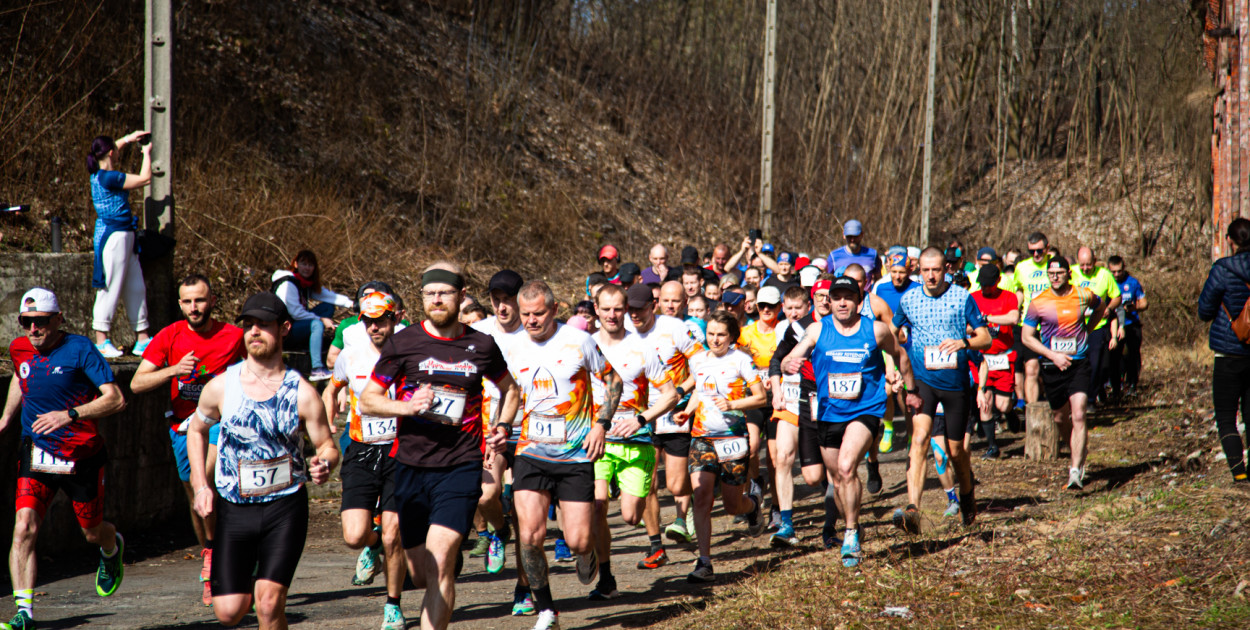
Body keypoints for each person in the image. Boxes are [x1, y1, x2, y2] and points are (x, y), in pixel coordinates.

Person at [358, 263, 521, 630]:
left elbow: (510, 389)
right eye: (429, 293)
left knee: (440, 560)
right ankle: (443, 567)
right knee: (419, 574)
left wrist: (504, 425)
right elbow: (369, 399)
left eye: (444, 293)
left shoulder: (480, 344)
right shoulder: (404, 343)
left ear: (461, 296)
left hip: (460, 464)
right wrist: (407, 406)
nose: (436, 299)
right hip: (411, 467)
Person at [187, 291, 340, 629]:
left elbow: (328, 445)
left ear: (284, 328)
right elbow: (195, 430)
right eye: (249, 325)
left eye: (264, 325)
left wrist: (325, 463)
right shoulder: (222, 386)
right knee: (229, 612)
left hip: (284, 508)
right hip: (234, 508)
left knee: (268, 603)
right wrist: (201, 485)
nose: (254, 331)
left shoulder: (301, 391)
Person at [0, 288, 128, 630]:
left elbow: (115, 399)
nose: (33, 329)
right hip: (36, 452)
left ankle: (111, 547)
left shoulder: (80, 349)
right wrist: (6, 418)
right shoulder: (19, 348)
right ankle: (24, 613)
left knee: (91, 533)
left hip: (81, 457)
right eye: (26, 322)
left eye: (40, 322)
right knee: (24, 527)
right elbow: (19, 374)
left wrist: (70, 414)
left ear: (59, 319)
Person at [503, 281, 620, 630]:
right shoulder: (512, 347)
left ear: (554, 310)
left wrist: (601, 423)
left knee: (579, 540)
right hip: (530, 451)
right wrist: (499, 427)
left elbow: (613, 382)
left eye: (539, 313)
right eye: (526, 314)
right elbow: (508, 393)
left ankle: (589, 556)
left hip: (575, 455)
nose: (531, 320)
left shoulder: (579, 340)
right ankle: (546, 611)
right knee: (530, 535)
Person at [130, 274, 245, 606]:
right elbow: (137, 383)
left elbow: (259, 367)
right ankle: (211, 552)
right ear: (180, 304)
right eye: (188, 301)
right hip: (182, 426)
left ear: (211, 301)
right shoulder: (170, 335)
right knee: (197, 496)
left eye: (200, 300)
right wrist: (173, 370)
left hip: (222, 424)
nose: (194, 307)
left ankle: (223, 559)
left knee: (204, 479)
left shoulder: (232, 336)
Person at [781, 277, 906, 567]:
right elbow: (792, 355)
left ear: (858, 301)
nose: (841, 302)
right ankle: (854, 522)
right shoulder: (816, 329)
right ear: (829, 301)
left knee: (848, 466)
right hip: (828, 413)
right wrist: (789, 362)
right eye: (836, 297)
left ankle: (850, 533)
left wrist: (896, 374)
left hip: (866, 408)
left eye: (847, 297)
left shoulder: (874, 329)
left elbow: (894, 350)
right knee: (838, 479)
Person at [320, 290, 409, 629]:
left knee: (393, 534)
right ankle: (370, 546)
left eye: (381, 320)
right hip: (361, 449)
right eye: (368, 321)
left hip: (400, 450)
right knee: (354, 536)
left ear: (394, 319)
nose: (375, 327)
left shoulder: (408, 354)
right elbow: (332, 388)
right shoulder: (351, 356)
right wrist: (329, 427)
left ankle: (393, 605)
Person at [587, 285, 679, 598]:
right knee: (598, 505)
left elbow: (671, 395)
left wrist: (641, 419)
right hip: (596, 442)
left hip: (637, 441)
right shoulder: (584, 346)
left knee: (630, 515)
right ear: (596, 310)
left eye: (618, 309)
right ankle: (606, 576)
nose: (612, 315)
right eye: (606, 309)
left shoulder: (642, 349)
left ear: (625, 310)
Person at [892, 248, 991, 533]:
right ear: (918, 270)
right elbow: (892, 330)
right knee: (920, 438)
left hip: (955, 384)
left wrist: (964, 342)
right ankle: (913, 510)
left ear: (946, 269)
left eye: (937, 270)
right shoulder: (908, 299)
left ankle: (967, 493)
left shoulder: (962, 297)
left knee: (956, 450)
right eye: (925, 270)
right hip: (923, 381)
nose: (931, 275)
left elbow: (985, 337)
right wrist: (898, 348)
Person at [673, 311, 767, 583]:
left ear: (731, 337)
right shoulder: (698, 360)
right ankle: (704, 562)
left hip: (733, 439)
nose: (715, 339)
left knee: (731, 505)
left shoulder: (741, 360)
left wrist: (734, 405)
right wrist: (686, 411)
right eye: (711, 334)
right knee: (701, 496)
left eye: (721, 335)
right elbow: (700, 393)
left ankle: (752, 507)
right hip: (702, 437)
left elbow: (760, 398)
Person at [471, 270, 537, 616]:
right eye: (495, 298)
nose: (500, 305)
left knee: (528, 517)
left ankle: (523, 589)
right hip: (489, 431)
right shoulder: (480, 334)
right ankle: (498, 530)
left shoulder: (535, 333)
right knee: (485, 495)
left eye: (507, 298)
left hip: (530, 432)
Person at [625, 285, 703, 558]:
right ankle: (656, 546)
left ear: (652, 306)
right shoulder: (621, 330)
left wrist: (682, 391)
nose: (634, 314)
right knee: (647, 483)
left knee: (675, 484)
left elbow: (702, 364)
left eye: (639, 309)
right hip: (640, 415)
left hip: (674, 409)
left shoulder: (675, 328)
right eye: (630, 308)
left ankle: (687, 504)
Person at [1021, 257, 1105, 490]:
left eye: (1059, 272)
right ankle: (1076, 447)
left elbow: (1101, 306)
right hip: (1052, 366)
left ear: (1069, 273)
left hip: (1079, 364)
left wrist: (1088, 330)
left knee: (1079, 415)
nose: (1055, 276)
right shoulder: (1039, 302)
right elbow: (1026, 337)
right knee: (1060, 417)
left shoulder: (1083, 294)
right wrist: (1051, 355)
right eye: (1051, 273)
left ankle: (1075, 470)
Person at [86, 133, 152, 358]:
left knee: (136, 285)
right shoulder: (110, 177)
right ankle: (101, 339)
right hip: (115, 236)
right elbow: (145, 179)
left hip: (125, 235)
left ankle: (142, 338)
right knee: (110, 288)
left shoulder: (98, 171)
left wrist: (130, 138)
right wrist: (147, 154)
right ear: (111, 153)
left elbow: (113, 148)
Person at [1200, 218, 1250, 484]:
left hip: (1229, 353)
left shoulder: (1222, 269)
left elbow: (1204, 311)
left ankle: (1239, 473)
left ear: (1230, 240)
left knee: (1226, 415)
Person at [737, 286, 784, 542]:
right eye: (762, 306)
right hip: (754, 399)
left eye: (772, 306)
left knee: (776, 459)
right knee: (752, 449)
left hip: (778, 401)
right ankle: (755, 482)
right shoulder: (745, 334)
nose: (766, 310)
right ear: (757, 307)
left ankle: (777, 508)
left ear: (779, 307)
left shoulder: (784, 330)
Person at [271, 250, 354, 381]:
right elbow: (296, 313)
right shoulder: (288, 283)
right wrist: (321, 319)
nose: (307, 268)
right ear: (296, 264)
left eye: (310, 265)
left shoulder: (303, 284)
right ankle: (317, 369)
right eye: (304, 263)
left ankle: (311, 342)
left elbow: (327, 295)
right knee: (316, 324)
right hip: (285, 332)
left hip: (297, 325)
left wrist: (351, 304)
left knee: (327, 307)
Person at [969, 265, 1019, 459]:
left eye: (989, 285)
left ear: (997, 281)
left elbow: (1013, 318)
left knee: (1003, 404)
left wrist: (987, 319)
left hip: (1003, 357)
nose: (985, 288)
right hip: (982, 359)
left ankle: (1010, 412)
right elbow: (966, 324)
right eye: (982, 285)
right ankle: (992, 447)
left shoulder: (1008, 297)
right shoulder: (973, 297)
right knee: (985, 401)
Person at [872, 246, 919, 454]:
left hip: (909, 347)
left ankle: (911, 433)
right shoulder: (881, 290)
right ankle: (889, 428)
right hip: (886, 346)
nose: (898, 276)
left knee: (904, 392)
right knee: (887, 389)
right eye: (894, 272)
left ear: (909, 271)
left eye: (902, 272)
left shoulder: (917, 288)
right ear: (888, 270)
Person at [1073, 247, 1122, 404]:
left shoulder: (1104, 275)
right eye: (1082, 265)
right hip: (1075, 326)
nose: (1085, 268)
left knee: (1096, 365)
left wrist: (1108, 308)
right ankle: (1076, 397)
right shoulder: (1070, 273)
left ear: (1094, 261)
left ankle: (1090, 398)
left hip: (1097, 326)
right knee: (1077, 364)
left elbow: (1117, 297)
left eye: (1088, 264)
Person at [1011, 232, 1053, 404]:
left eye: (1039, 251)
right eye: (1032, 251)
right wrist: (1015, 308)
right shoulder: (1021, 267)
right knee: (1031, 369)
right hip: (1030, 325)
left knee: (1052, 370)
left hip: (1052, 325)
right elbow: (1019, 290)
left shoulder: (1054, 266)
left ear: (1047, 248)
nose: (1036, 254)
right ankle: (1033, 412)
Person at [1108, 255, 1146, 399]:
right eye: (1114, 272)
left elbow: (1144, 303)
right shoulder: (1107, 282)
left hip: (1131, 325)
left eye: (1119, 271)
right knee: (1114, 358)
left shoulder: (1133, 283)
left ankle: (1132, 385)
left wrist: (1133, 307)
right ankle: (1115, 388)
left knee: (1133, 356)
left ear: (1124, 269)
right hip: (1113, 326)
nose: (1117, 275)